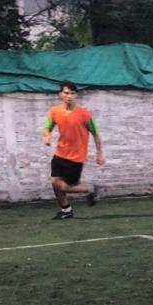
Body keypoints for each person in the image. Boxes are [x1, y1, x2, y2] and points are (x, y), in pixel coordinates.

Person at [42, 80, 104, 220]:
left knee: (64, 186)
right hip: (59, 154)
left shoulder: (85, 114)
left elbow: (96, 134)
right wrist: (47, 136)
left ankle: (89, 190)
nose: (69, 96)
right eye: (66, 93)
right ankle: (66, 210)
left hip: (76, 158)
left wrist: (99, 153)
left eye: (72, 93)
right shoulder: (54, 111)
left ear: (76, 95)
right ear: (60, 94)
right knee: (55, 183)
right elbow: (47, 127)